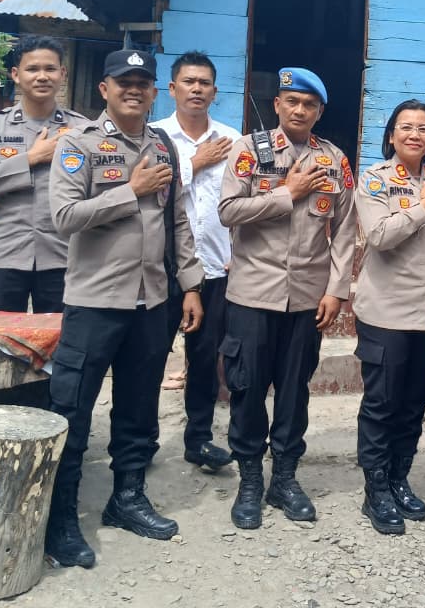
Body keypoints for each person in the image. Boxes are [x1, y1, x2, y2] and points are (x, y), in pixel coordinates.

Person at [43, 48, 205, 569]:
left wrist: (192, 285)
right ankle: (60, 518)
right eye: (123, 81)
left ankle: (127, 499)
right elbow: (65, 217)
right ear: (104, 90)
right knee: (72, 411)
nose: (133, 89)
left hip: (151, 302)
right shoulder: (78, 145)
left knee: (138, 410)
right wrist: (129, 191)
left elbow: (178, 220)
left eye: (142, 82)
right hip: (94, 303)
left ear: (154, 90)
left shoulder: (162, 147)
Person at [218, 67, 356, 530]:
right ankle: (251, 479)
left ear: (319, 111)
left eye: (309, 104)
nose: (300, 110)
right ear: (277, 104)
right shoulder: (249, 151)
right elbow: (228, 211)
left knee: (295, 391)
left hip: (306, 299)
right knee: (248, 387)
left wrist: (337, 289)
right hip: (253, 294)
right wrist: (286, 193)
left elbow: (347, 231)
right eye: (291, 101)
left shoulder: (334, 159)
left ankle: (286, 478)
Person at [353, 100, 425, 535]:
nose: (415, 135)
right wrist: (424, 207)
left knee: (415, 404)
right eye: (406, 127)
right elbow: (378, 236)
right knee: (382, 403)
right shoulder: (375, 179)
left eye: (424, 129)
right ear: (391, 135)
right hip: (387, 312)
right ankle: (374, 489)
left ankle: (398, 477)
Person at [149, 50, 240, 473]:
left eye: (204, 83)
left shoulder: (232, 139)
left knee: (205, 360)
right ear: (172, 89)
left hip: (216, 267)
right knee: (148, 357)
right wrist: (194, 162)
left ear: (214, 91)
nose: (197, 89)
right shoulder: (153, 136)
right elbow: (148, 188)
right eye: (188, 82)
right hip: (162, 269)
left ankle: (199, 439)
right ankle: (142, 438)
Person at [0, 34, 87, 312]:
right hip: (5, 253)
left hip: (63, 256)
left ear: (63, 73)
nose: (42, 76)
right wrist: (30, 159)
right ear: (16, 75)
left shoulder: (82, 131)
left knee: (59, 344)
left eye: (50, 69)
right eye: (33, 69)